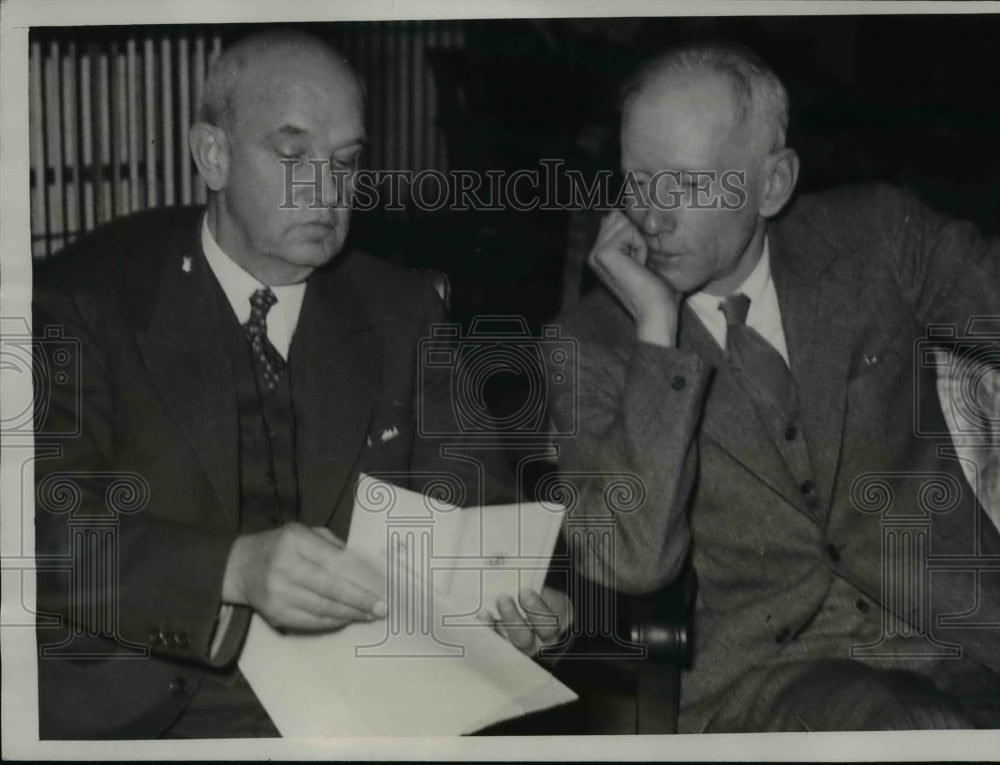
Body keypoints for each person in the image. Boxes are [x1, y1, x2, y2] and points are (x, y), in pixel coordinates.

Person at [33, 30, 568, 740]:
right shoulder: (86, 302)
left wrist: (524, 610)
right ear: (212, 156)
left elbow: (482, 521)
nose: (327, 189)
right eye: (292, 155)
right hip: (148, 709)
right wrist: (233, 567)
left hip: (364, 708)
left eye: (346, 161)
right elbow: (37, 529)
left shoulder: (402, 310)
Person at [549, 41, 1000, 732]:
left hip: (970, 635)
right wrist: (655, 332)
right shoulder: (589, 342)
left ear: (773, 184)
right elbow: (630, 562)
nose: (655, 216)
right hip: (772, 683)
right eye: (638, 181)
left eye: (692, 184)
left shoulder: (877, 236)